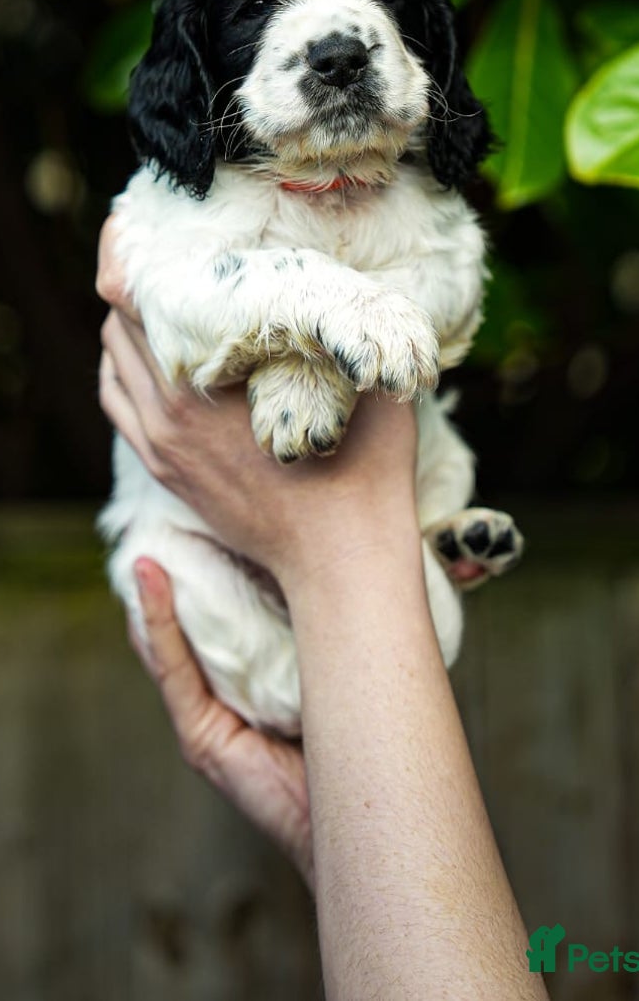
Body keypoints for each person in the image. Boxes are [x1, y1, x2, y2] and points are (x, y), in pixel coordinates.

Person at [97, 236, 548, 1001]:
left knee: (440, 445)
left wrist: (337, 544)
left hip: (367, 524)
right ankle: (410, 564)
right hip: (211, 572)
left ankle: (412, 554)